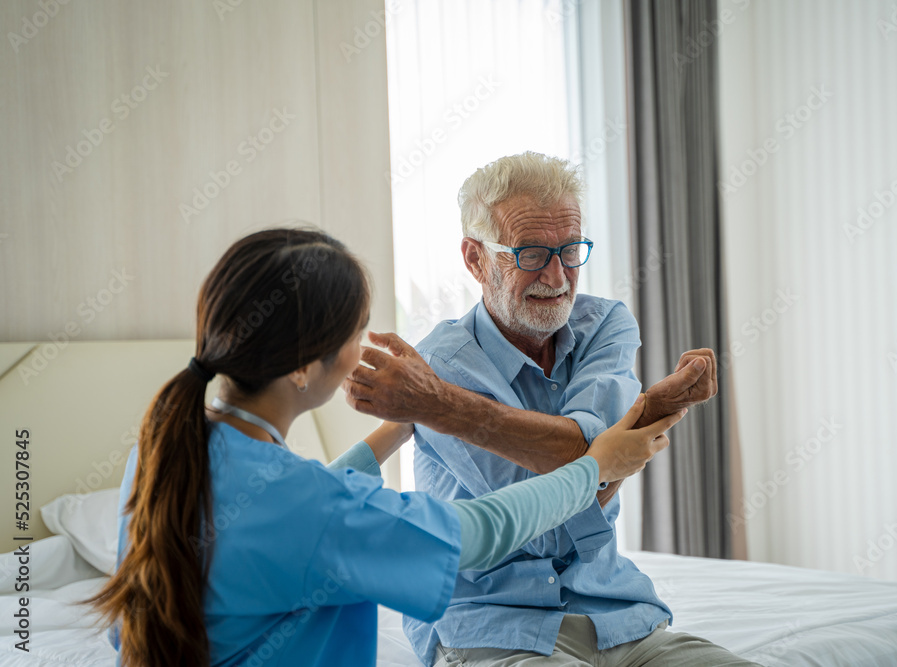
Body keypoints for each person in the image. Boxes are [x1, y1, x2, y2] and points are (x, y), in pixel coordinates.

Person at [87, 228, 685, 667]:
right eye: (356, 331)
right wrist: (595, 466)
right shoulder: (310, 508)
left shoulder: (166, 448)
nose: (363, 349)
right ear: (303, 365)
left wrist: (396, 429)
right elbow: (475, 532)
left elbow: (307, 509)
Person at [342, 153, 762, 666]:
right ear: (475, 259)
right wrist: (626, 431)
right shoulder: (438, 365)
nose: (558, 275)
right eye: (532, 253)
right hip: (494, 624)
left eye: (570, 250)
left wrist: (642, 416)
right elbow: (552, 498)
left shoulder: (605, 324)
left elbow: (592, 462)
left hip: (617, 614)